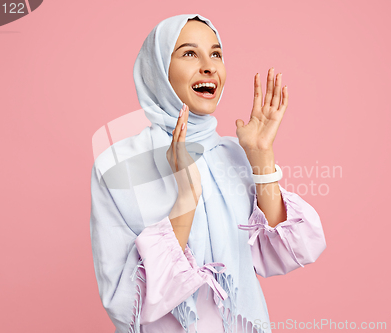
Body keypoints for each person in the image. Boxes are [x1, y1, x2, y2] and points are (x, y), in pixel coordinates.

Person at [90, 14, 326, 333]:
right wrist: (185, 202)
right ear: (158, 69)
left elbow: (290, 252)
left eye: (216, 54)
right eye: (189, 53)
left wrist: (261, 159)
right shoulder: (118, 166)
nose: (209, 66)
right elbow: (126, 303)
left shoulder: (235, 154)